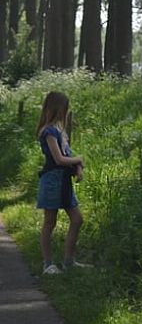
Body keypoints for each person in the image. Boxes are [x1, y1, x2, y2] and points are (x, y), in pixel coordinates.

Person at [35, 91, 87, 275]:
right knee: (50, 222)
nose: (66, 111)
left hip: (64, 182)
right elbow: (59, 159)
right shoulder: (49, 131)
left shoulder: (61, 132)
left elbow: (69, 156)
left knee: (77, 219)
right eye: (65, 108)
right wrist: (78, 159)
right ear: (58, 108)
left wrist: (78, 165)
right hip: (52, 181)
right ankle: (48, 264)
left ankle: (68, 261)